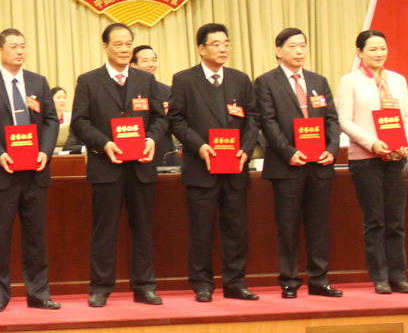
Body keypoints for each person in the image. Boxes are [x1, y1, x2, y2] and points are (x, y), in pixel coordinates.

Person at [70, 23, 168, 308]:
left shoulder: (146, 80)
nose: (125, 49)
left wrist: (151, 139)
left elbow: (160, 118)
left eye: (128, 44)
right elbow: (79, 121)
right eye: (118, 44)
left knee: (143, 229)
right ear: (105, 47)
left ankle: (145, 286)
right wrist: (104, 144)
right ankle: (100, 288)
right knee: (104, 231)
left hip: (141, 166)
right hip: (106, 166)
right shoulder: (88, 81)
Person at [0, 28, 60, 312]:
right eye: (13, 47)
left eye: (23, 46)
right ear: (0, 50)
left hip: (35, 171)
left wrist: (45, 151)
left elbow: (51, 120)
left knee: (36, 238)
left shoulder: (38, 82)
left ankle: (39, 293)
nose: (20, 51)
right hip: (1, 172)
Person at [168, 23, 260, 302]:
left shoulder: (240, 79)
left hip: (235, 166)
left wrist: (246, 149)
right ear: (201, 48)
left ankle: (235, 283)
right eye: (216, 44)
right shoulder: (184, 80)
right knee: (201, 230)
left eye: (226, 43)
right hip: (202, 167)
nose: (223, 49)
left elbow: (253, 119)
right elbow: (176, 120)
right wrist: (200, 146)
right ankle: (202, 284)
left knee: (236, 229)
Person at [254, 27, 342, 299]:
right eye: (292, 46)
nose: (299, 51)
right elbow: (267, 122)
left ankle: (319, 279)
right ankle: (290, 280)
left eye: (302, 45)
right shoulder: (266, 82)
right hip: (287, 166)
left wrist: (332, 150)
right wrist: (288, 152)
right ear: (278, 50)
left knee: (319, 226)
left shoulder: (318, 81)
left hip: (319, 164)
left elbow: (332, 119)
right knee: (288, 227)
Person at [336, 29, 408, 294]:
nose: (379, 53)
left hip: (396, 157)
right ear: (359, 52)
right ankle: (380, 277)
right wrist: (372, 143)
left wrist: (407, 142)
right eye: (372, 49)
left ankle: (398, 276)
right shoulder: (350, 81)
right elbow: (344, 121)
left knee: (395, 220)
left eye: (383, 48)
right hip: (366, 159)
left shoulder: (397, 79)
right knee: (375, 220)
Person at [131, 45, 179, 167]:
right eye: (145, 61)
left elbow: (178, 124)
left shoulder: (168, 91)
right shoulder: (128, 91)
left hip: (163, 152)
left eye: (153, 60)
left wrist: (168, 115)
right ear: (133, 65)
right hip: (135, 151)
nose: (151, 65)